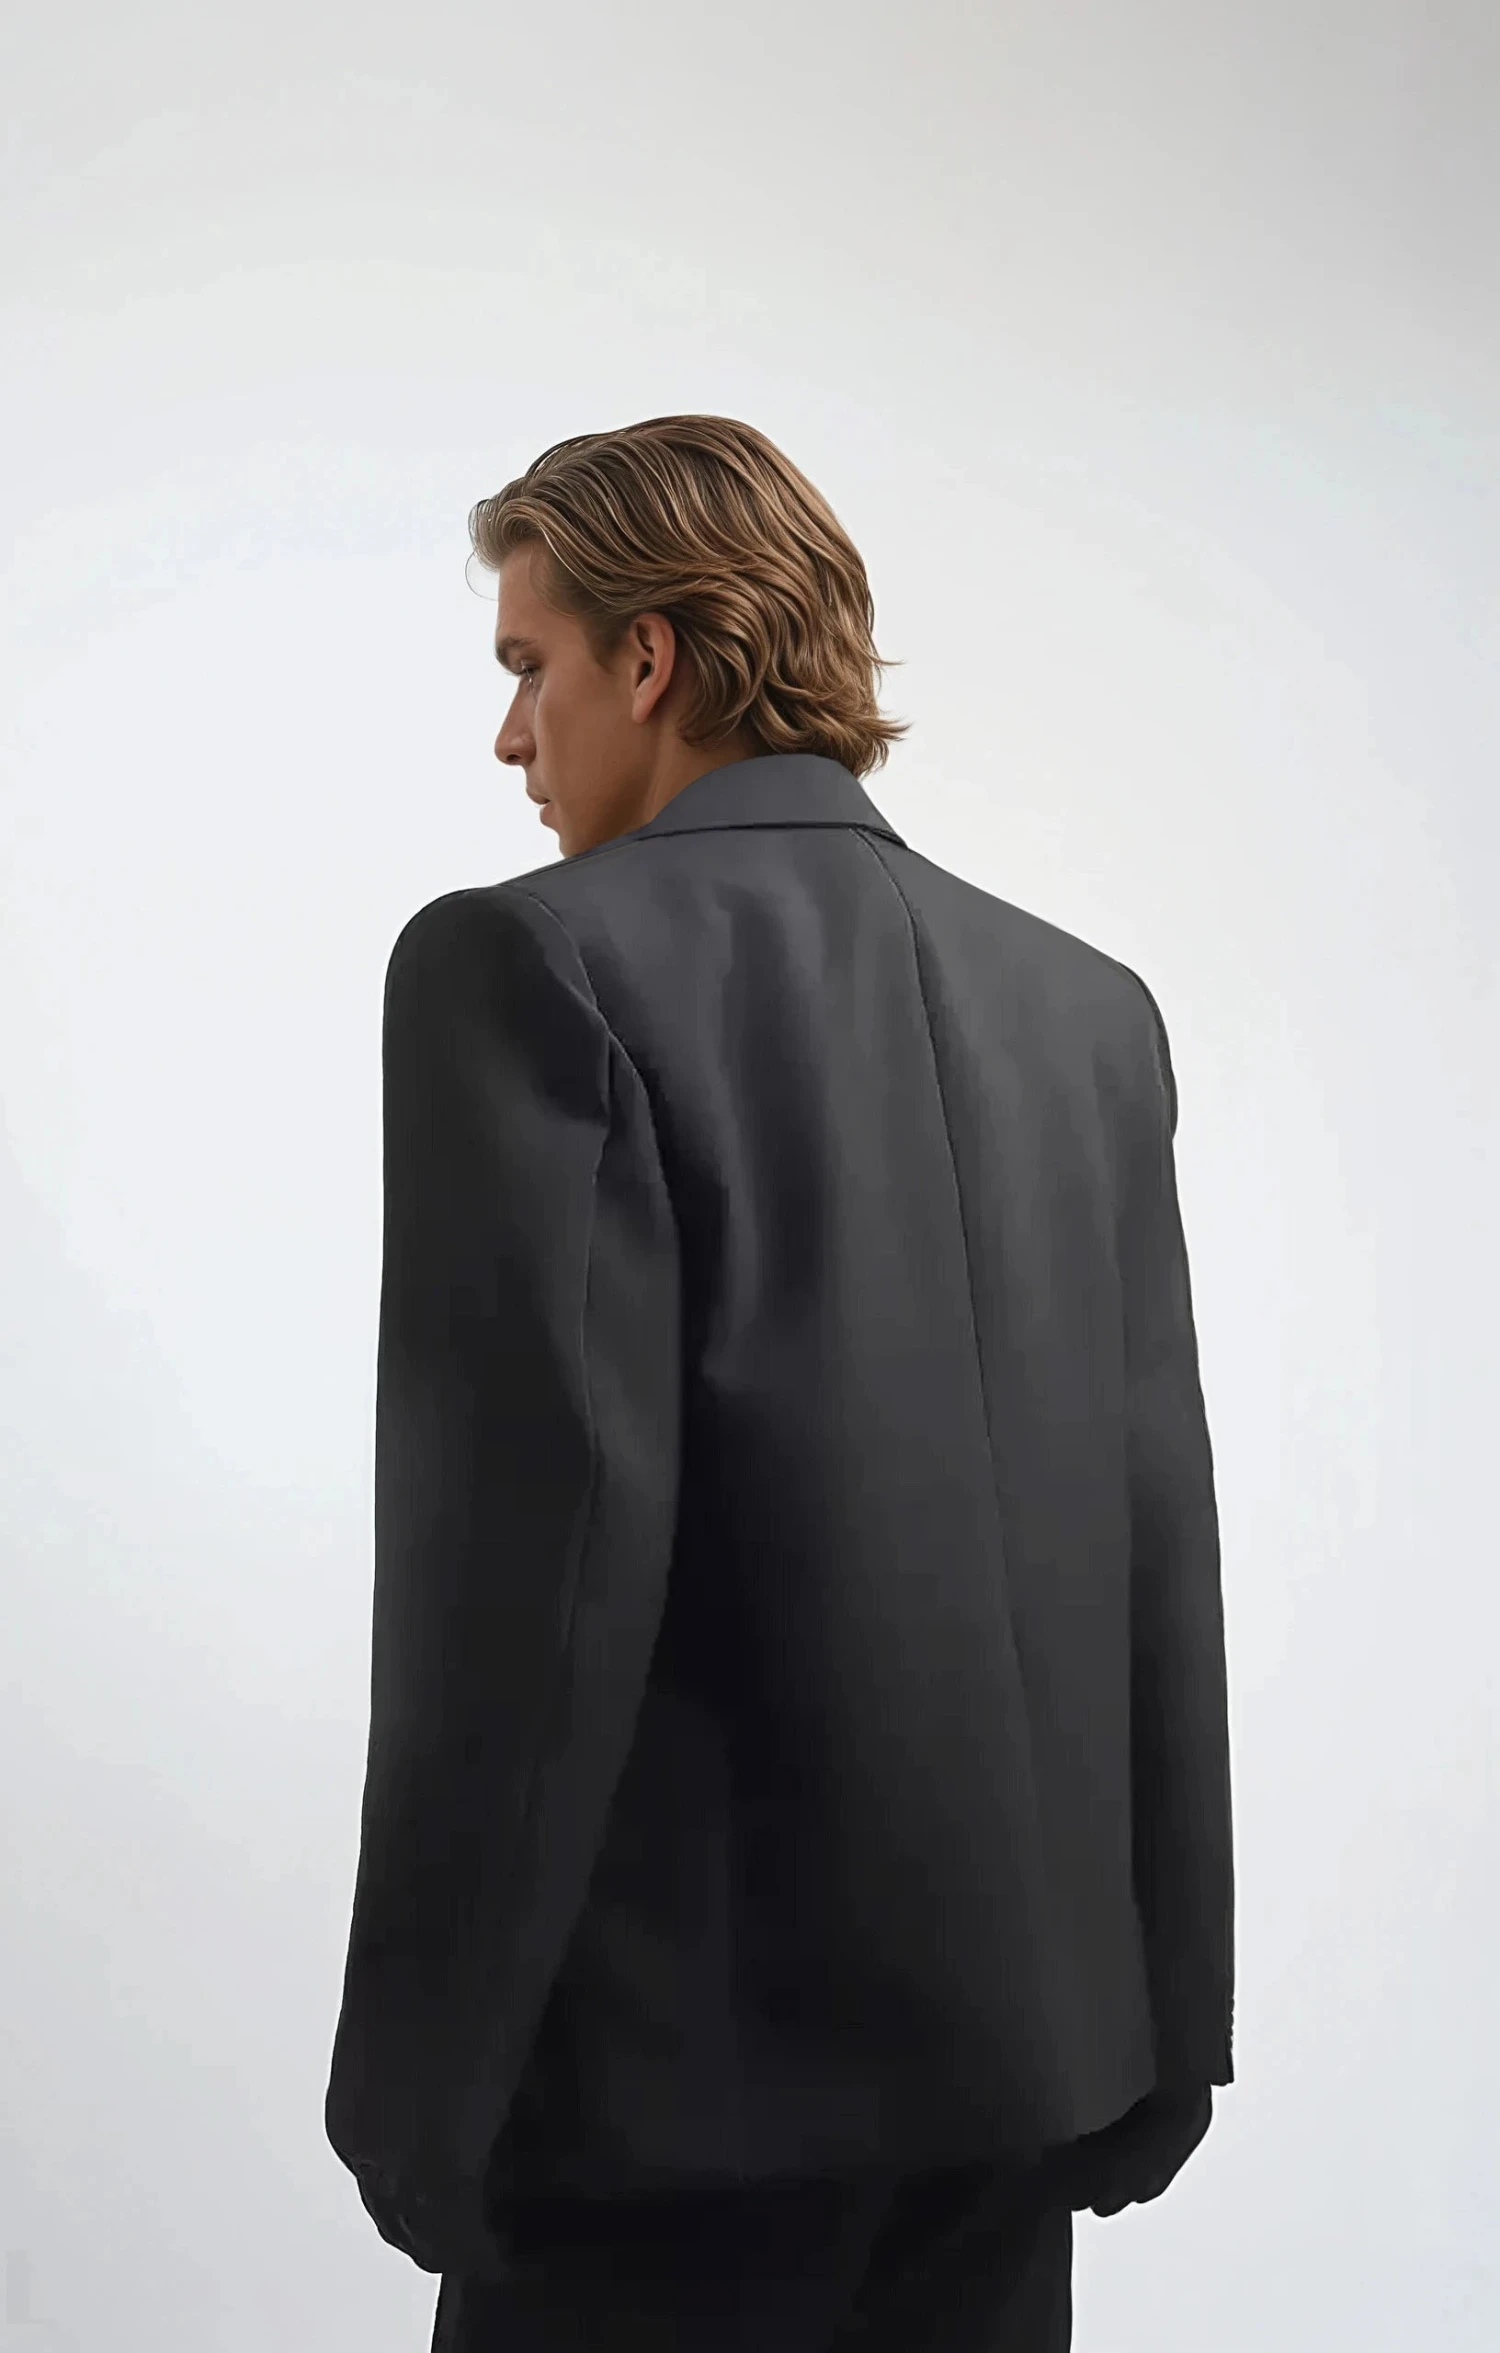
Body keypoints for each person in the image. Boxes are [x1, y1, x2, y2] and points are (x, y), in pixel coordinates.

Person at [324, 415, 1234, 2350]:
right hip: (1019, 2100)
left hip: (663, 2133)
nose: (511, 737)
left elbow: (524, 1592)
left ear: (649, 659)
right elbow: (1157, 1542)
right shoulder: (1089, 1014)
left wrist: (414, 2093)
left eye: (529, 667)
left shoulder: (530, 971)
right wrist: (1173, 2031)